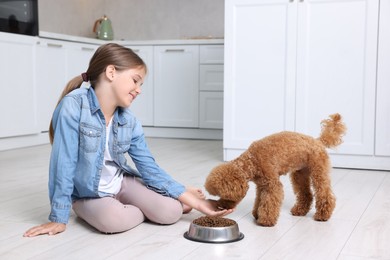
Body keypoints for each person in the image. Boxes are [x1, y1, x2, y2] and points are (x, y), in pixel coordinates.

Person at [24, 43, 232, 237]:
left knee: (171, 212)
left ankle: (173, 194)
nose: (139, 90)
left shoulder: (129, 121)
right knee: (113, 220)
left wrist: (198, 204)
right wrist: (58, 218)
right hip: (89, 195)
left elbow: (149, 167)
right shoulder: (73, 106)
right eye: (135, 80)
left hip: (121, 182)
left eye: (140, 84)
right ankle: (160, 198)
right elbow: (63, 163)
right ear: (111, 72)